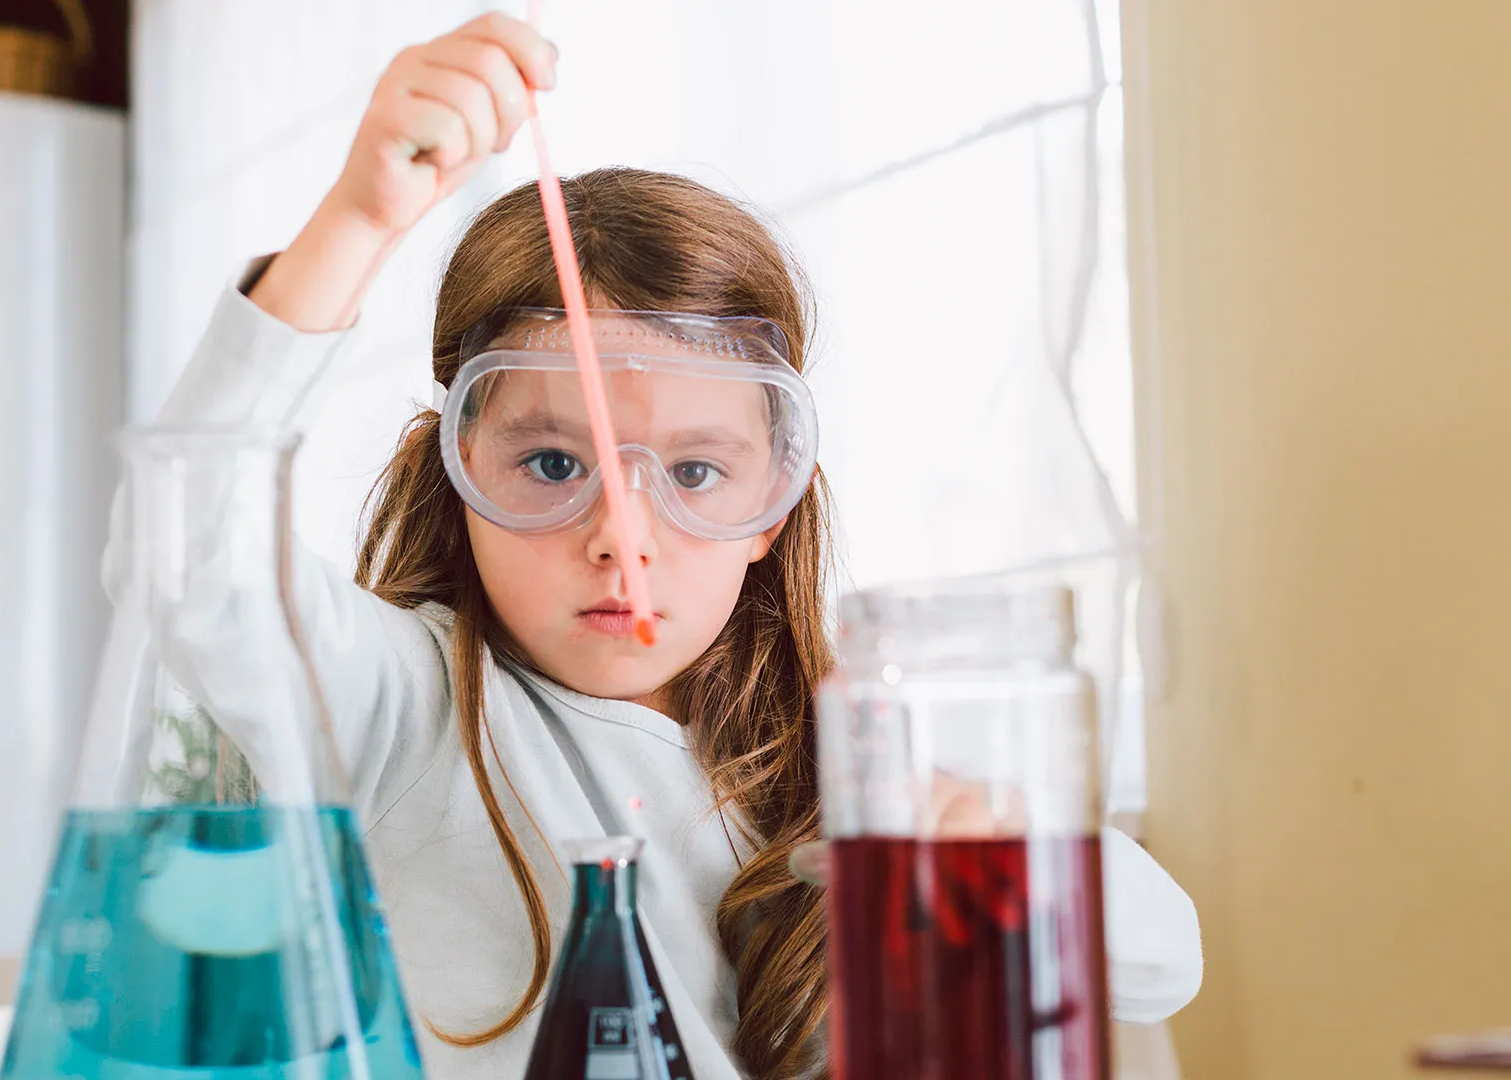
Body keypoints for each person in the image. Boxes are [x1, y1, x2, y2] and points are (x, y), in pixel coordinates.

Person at [115, 12, 1202, 1080]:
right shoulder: (404, 707)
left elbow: (1164, 961)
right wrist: (356, 219)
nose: (620, 541)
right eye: (551, 465)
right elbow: (188, 558)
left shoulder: (843, 771)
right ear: (458, 475)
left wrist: (1002, 859)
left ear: (773, 505)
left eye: (693, 473)